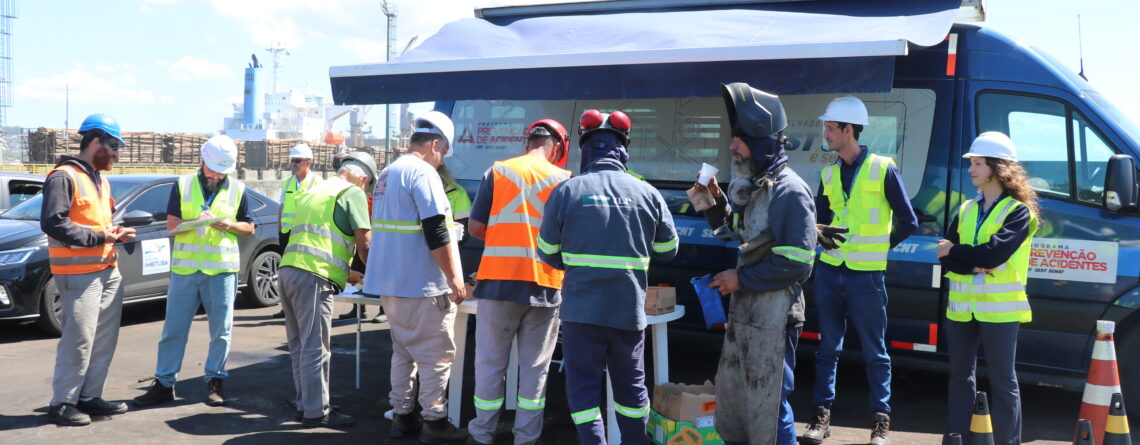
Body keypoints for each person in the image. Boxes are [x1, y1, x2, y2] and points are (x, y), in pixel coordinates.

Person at [537, 109, 678, 445]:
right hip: (627, 313)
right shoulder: (647, 193)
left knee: (583, 392)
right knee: (631, 391)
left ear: (587, 148)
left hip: (581, 314)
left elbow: (546, 251)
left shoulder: (567, 191)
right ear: (623, 148)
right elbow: (669, 248)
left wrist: (574, 264)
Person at [695, 83, 816, 444]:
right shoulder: (760, 185)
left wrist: (741, 279)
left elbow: (798, 263)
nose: (732, 145)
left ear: (762, 141)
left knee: (771, 406)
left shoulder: (789, 191)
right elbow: (739, 235)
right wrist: (715, 202)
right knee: (745, 404)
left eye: (740, 138)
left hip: (776, 319)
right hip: (748, 316)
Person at [804, 96, 918, 444]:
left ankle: (880, 422)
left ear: (848, 130)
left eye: (830, 127)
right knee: (827, 348)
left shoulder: (883, 168)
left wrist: (878, 249)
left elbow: (908, 221)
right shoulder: (828, 172)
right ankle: (820, 420)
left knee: (875, 351)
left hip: (866, 276)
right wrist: (819, 234)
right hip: (829, 271)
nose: (825, 132)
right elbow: (819, 222)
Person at [365, 110, 469, 442]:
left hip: (390, 284)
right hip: (423, 285)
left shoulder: (387, 173)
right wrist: (455, 278)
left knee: (404, 352)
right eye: (442, 154)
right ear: (436, 143)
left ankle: (402, 416)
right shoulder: (424, 174)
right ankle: (436, 423)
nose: (441, 163)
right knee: (435, 355)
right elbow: (435, 229)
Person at [465, 119, 571, 445]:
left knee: (489, 365)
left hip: (498, 282)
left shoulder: (498, 172)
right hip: (546, 284)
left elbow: (475, 229)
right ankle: (526, 438)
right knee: (535, 369)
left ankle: (482, 434)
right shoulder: (565, 181)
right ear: (558, 147)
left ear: (529, 142)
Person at [134, 135, 256, 408]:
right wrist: (194, 222)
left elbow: (250, 227)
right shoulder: (183, 184)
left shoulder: (237, 188)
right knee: (173, 331)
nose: (217, 175)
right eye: (213, 169)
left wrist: (230, 226)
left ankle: (215, 381)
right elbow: (171, 225)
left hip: (222, 271)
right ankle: (164, 384)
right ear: (202, 161)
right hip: (185, 272)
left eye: (222, 170)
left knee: (221, 331)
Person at [937, 132, 1037, 444]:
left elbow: (993, 254)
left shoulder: (1018, 212)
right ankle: (956, 438)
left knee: (1003, 381)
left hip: (1000, 310)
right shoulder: (966, 208)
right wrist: (970, 259)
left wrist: (959, 253)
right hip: (962, 308)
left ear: (997, 167)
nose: (970, 169)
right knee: (959, 377)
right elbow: (946, 257)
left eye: (977, 163)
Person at [42, 113, 136, 426]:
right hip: (78, 274)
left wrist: (117, 232)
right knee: (78, 339)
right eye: (113, 146)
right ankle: (63, 402)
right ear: (95, 141)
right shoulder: (63, 177)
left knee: (103, 339)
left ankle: (89, 397)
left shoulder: (100, 178)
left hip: (107, 270)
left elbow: (101, 222)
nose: (116, 153)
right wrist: (100, 237)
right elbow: (54, 223)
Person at [279, 151, 377, 429]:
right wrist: (378, 275)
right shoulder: (352, 192)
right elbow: (366, 245)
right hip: (312, 279)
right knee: (315, 347)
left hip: (289, 272)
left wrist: (347, 273)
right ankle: (316, 412)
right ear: (364, 179)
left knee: (299, 346)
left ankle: (305, 404)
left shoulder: (316, 189)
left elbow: (317, 241)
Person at [273, 143, 322, 320]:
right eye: (292, 161)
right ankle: (286, 307)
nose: (293, 164)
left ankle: (303, 306)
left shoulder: (317, 183)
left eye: (297, 161)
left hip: (306, 235)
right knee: (286, 271)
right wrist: (280, 229)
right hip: (287, 234)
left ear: (308, 162)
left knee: (304, 272)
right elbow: (282, 206)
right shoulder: (288, 183)